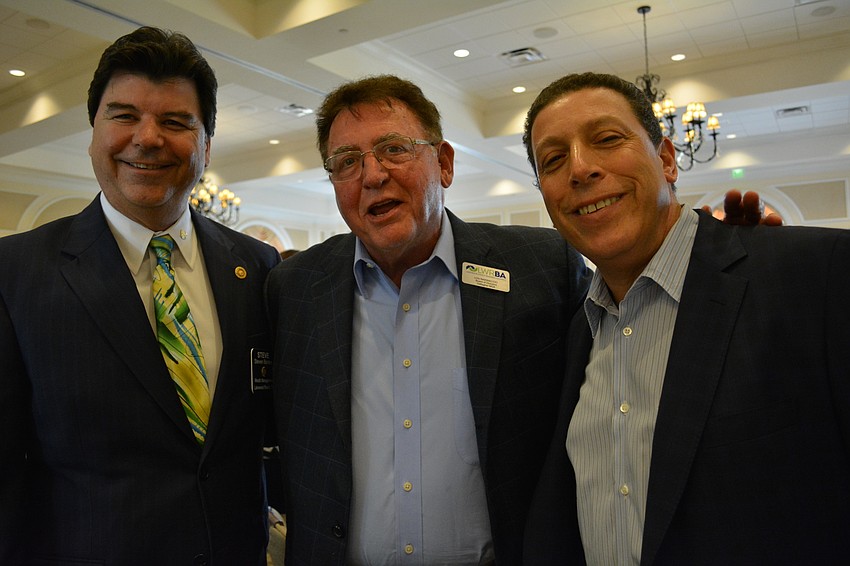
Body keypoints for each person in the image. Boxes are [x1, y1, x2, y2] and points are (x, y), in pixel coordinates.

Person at [521, 71, 850, 565]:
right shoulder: (573, 333)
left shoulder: (815, 277)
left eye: (607, 139)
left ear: (668, 159)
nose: (581, 168)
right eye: (553, 159)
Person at [265, 74, 592, 565]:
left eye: (394, 149)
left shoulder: (541, 267)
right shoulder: (294, 290)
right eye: (347, 162)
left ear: (443, 163)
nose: (372, 176)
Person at [0, 27, 280, 564]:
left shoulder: (257, 267)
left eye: (176, 122)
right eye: (124, 115)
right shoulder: (18, 273)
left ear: (206, 145)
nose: (148, 137)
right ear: (93, 130)